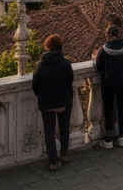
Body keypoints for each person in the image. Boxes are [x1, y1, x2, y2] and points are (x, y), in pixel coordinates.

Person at [32, 34, 75, 171]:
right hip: (63, 101)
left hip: (46, 103)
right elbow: (70, 80)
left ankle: (53, 161)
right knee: (64, 127)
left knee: (49, 132)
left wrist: (42, 96)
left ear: (47, 47)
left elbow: (35, 85)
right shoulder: (65, 63)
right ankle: (65, 153)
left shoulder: (39, 65)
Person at [93, 24, 123, 149]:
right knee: (122, 108)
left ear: (107, 35)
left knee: (109, 109)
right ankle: (122, 137)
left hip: (108, 83)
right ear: (119, 34)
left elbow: (98, 66)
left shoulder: (103, 50)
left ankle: (109, 139)